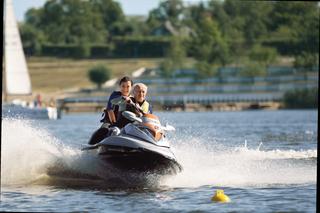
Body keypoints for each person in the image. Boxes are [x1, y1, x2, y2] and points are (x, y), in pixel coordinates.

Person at [88, 76, 133, 145]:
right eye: (123, 86)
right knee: (103, 130)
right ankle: (91, 145)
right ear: (120, 86)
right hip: (110, 121)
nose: (125, 89)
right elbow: (110, 110)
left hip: (125, 124)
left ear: (131, 87)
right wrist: (114, 124)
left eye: (128, 86)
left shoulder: (133, 99)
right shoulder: (115, 95)